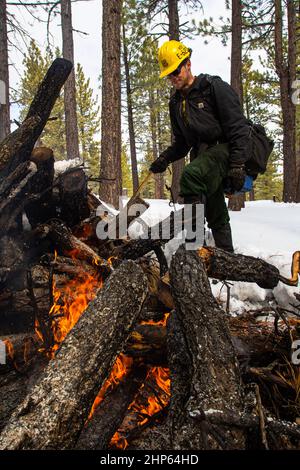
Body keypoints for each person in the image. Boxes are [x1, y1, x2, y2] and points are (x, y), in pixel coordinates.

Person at [149, 40, 253, 253]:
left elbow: (239, 128)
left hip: (224, 150)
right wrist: (165, 159)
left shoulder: (213, 88)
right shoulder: (176, 103)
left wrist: (237, 165)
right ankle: (227, 255)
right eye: (169, 74)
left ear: (188, 64)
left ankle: (194, 247)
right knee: (215, 206)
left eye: (176, 70)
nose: (173, 77)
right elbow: (182, 144)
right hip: (203, 157)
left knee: (191, 175)